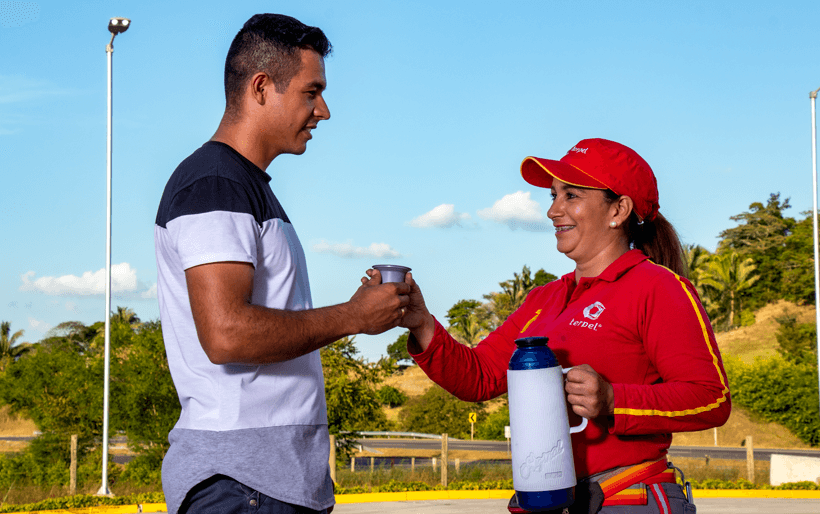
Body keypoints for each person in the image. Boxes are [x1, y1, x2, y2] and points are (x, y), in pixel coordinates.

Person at [383, 138, 730, 513]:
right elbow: (479, 376)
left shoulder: (658, 287)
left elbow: (710, 398)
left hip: (626, 499)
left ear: (619, 209)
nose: (553, 211)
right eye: (553, 196)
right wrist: (420, 323)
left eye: (571, 196)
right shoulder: (545, 298)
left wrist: (615, 400)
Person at [154, 14, 410, 514]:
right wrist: (354, 317)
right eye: (311, 92)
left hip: (265, 484)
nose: (324, 111)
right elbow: (226, 334)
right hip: (241, 483)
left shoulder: (244, 186)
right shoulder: (216, 183)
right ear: (262, 87)